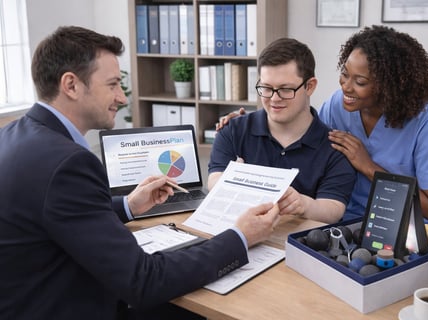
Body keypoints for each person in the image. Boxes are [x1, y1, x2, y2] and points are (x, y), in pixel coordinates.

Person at [0, 26, 279, 320]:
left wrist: (128, 205)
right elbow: (144, 281)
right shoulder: (68, 163)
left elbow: (57, 211)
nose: (122, 98)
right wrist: (239, 237)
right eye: (112, 85)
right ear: (71, 85)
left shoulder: (14, 135)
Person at [218, 26, 428, 231]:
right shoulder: (338, 105)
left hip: (414, 230)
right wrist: (243, 124)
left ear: (391, 87)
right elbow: (305, 136)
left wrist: (369, 168)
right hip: (350, 224)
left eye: (360, 82)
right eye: (344, 74)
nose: (346, 87)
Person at [208, 38, 356, 224]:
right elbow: (214, 180)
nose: (274, 99)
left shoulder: (335, 148)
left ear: (310, 86)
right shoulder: (233, 130)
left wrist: (303, 204)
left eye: (286, 89)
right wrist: (242, 182)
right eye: (266, 88)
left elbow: (333, 209)